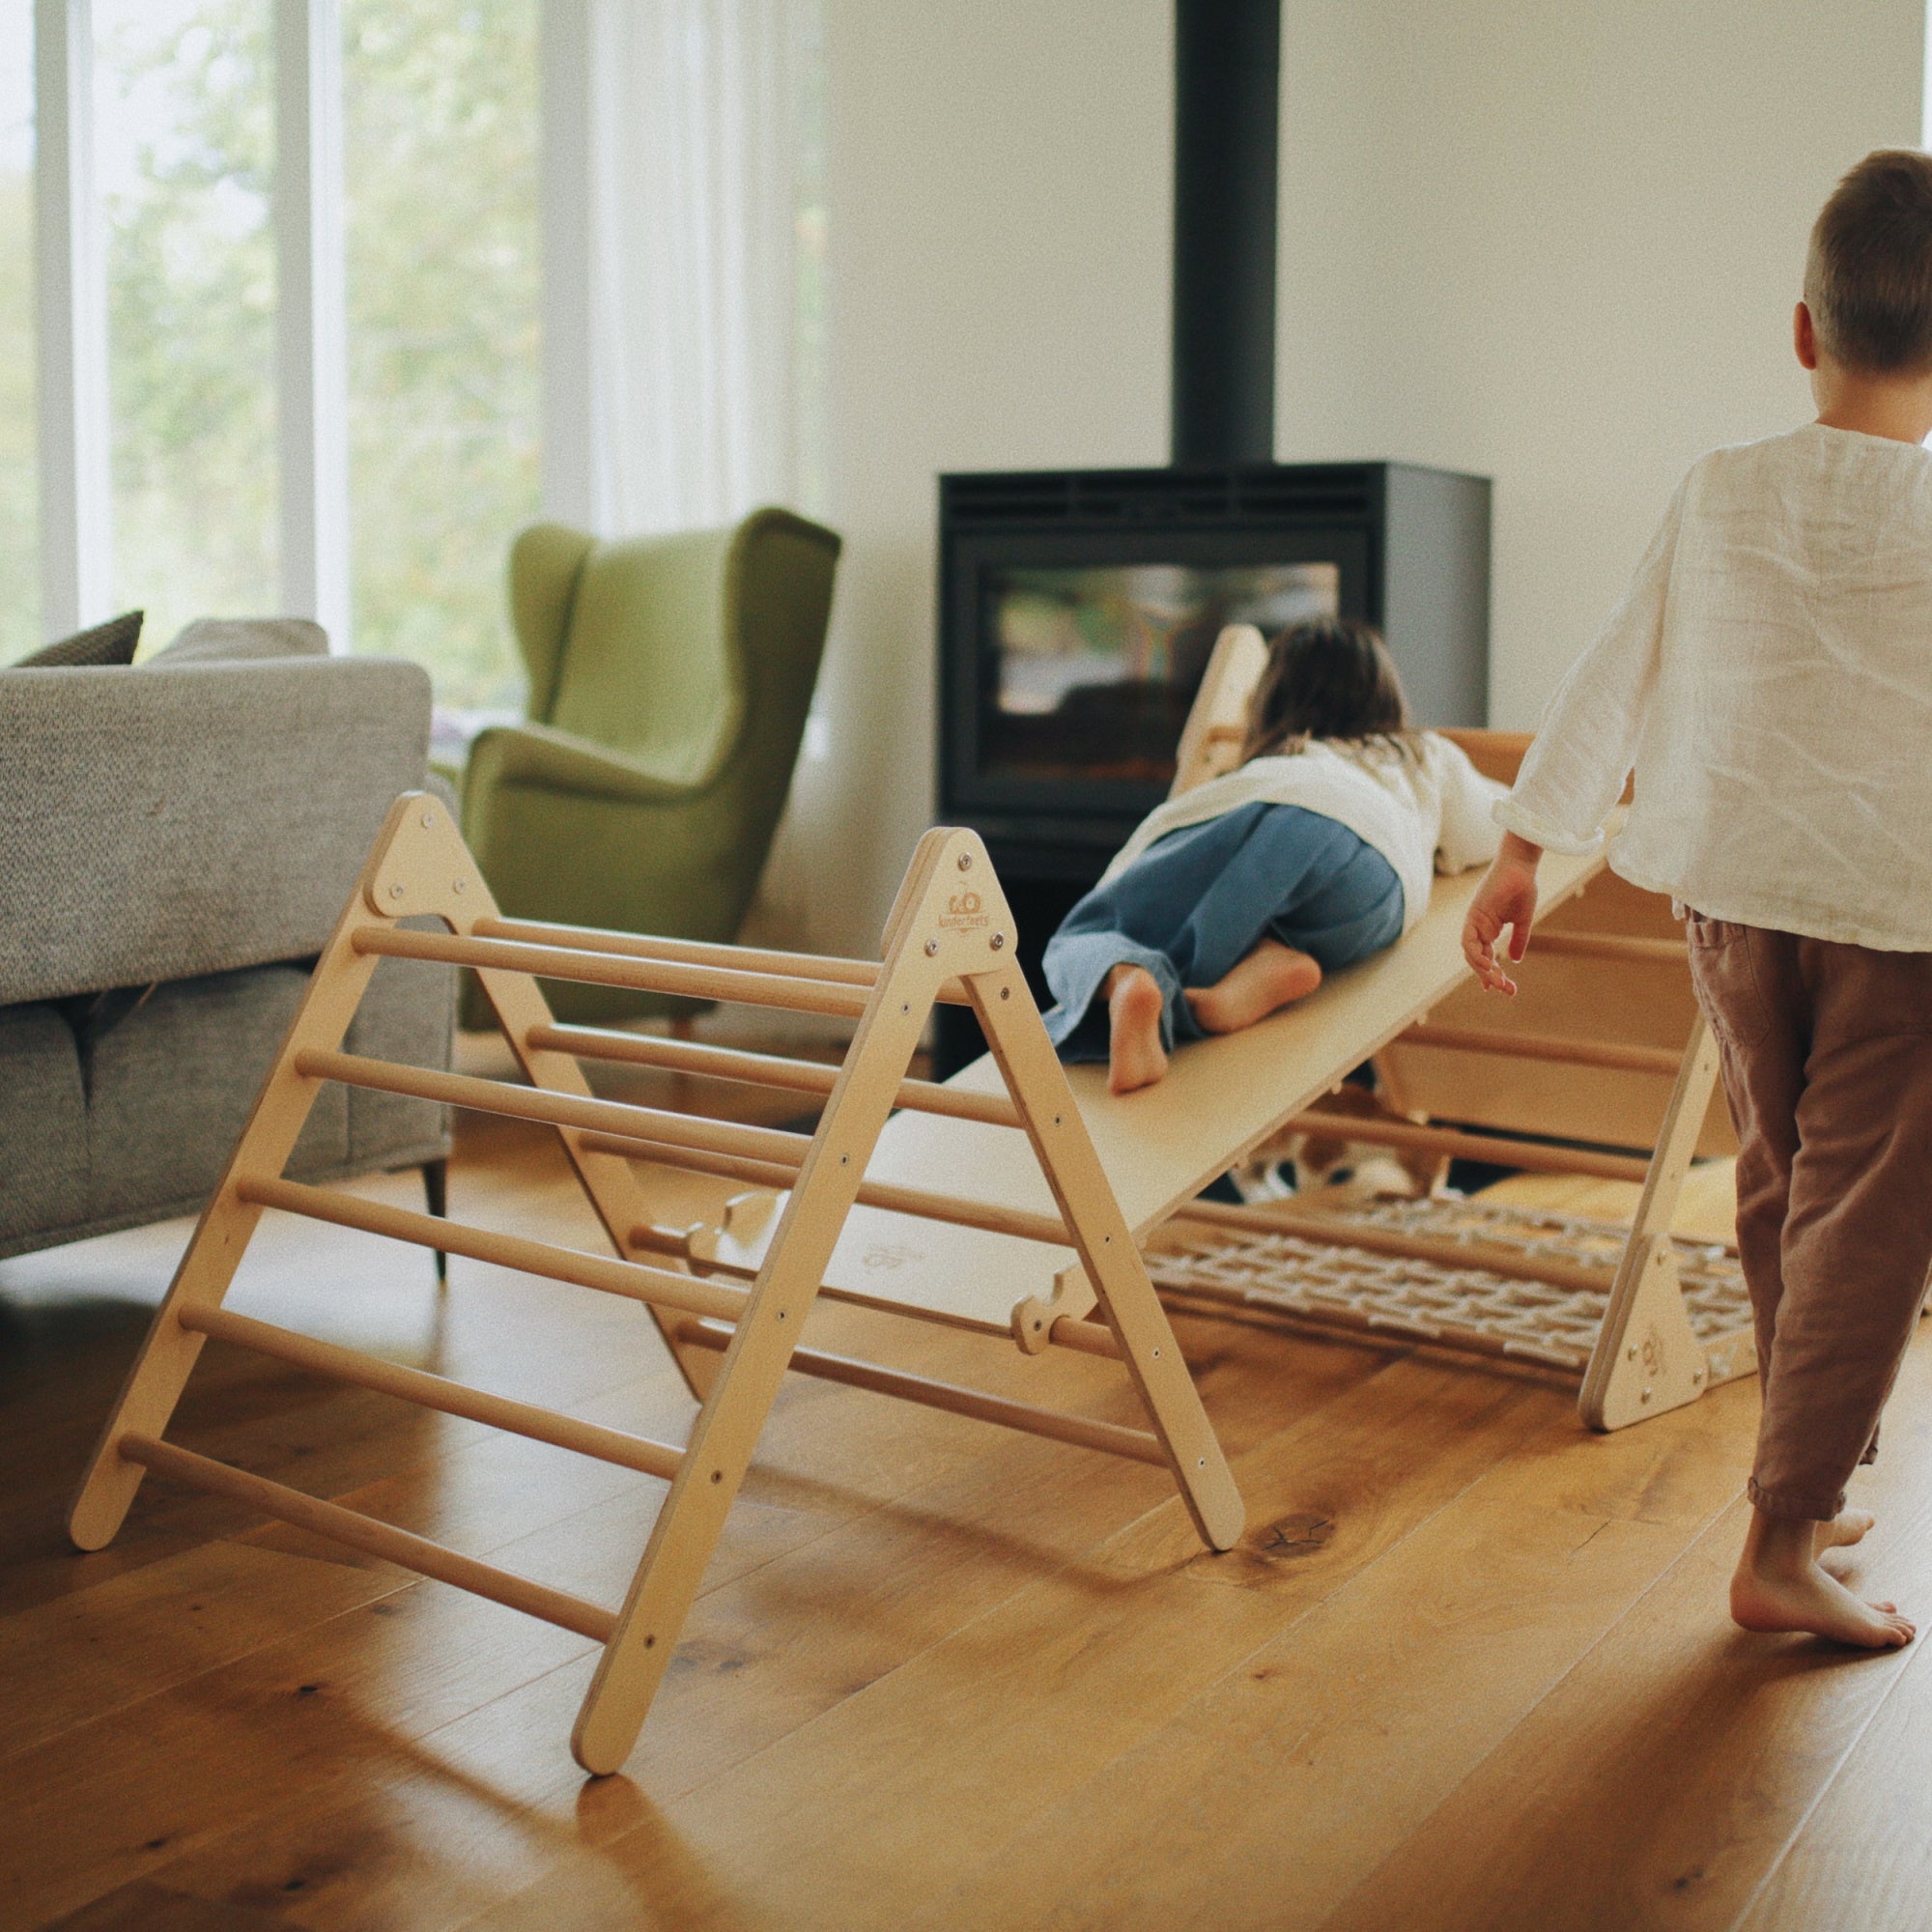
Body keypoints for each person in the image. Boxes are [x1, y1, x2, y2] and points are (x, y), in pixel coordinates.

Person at [1463, 149, 1932, 1652]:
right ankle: (1782, 1541)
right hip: (1896, 918)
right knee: (1869, 1218)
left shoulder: (1722, 487)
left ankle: (1803, 1475)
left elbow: (1618, 665)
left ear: (1802, 332)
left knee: (1785, 1187)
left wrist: (1527, 845)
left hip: (1731, 910)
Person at [1042, 615, 1505, 1094]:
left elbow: (1185, 851)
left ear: (1270, 700)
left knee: (1088, 934)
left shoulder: (1280, 760)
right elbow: (1490, 828)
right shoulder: (1420, 753)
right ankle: (1268, 962)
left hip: (1276, 817)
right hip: (1379, 883)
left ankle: (1129, 979)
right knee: (1270, 915)